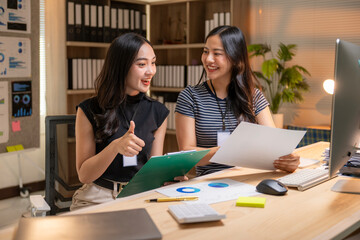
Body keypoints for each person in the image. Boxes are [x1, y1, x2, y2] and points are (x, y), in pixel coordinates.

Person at [71, 33, 186, 211]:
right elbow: (84, 175)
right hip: (98, 197)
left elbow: (153, 170)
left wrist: (168, 177)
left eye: (153, 62)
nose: (151, 71)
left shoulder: (158, 112)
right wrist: (115, 147)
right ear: (121, 67)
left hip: (140, 195)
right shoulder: (88, 109)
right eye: (142, 64)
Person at [175, 26, 300, 176]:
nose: (208, 59)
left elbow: (274, 147)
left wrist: (288, 162)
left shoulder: (254, 97)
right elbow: (186, 152)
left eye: (217, 53)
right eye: (206, 51)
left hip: (250, 179)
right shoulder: (190, 97)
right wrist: (228, 150)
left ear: (235, 58)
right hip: (209, 183)